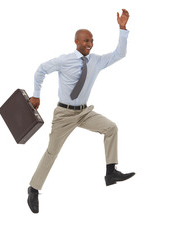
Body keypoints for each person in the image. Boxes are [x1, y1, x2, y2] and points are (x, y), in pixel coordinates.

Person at [27, 9, 135, 214]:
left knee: (111, 128)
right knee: (52, 153)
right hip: (64, 114)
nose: (90, 44)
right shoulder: (64, 60)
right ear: (76, 41)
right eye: (86, 40)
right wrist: (36, 94)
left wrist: (122, 28)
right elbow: (41, 69)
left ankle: (111, 172)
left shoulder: (96, 61)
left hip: (84, 113)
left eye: (92, 40)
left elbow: (120, 54)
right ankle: (33, 189)